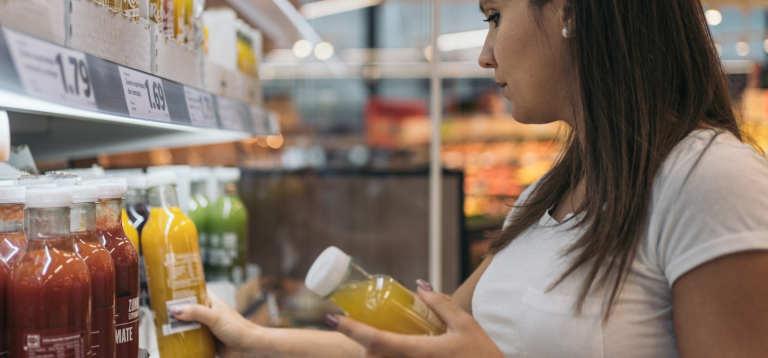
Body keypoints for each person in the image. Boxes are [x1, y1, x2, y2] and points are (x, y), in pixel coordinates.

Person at [171, 0, 768, 356]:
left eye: (494, 16)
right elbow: (414, 346)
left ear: (570, 11)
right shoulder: (545, 197)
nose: (485, 55)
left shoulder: (710, 179)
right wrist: (253, 339)